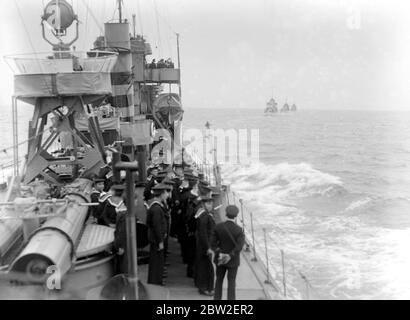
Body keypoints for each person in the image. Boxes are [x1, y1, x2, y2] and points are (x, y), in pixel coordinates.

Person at [211, 205, 245, 300]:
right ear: (236, 215)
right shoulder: (239, 230)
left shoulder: (218, 227)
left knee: (219, 281)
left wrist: (220, 253)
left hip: (220, 259)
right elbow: (239, 246)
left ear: (226, 214)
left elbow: (212, 243)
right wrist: (230, 255)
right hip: (233, 261)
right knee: (231, 282)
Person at [146, 183, 172, 285]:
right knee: (157, 261)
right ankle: (155, 281)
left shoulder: (156, 206)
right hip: (157, 239)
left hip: (157, 238)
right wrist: (160, 241)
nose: (167, 194)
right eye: (165, 192)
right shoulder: (156, 208)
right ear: (161, 194)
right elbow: (157, 226)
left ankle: (156, 279)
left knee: (157, 260)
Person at [194, 195, 216, 296]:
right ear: (203, 204)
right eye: (208, 203)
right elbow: (204, 233)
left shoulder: (201, 214)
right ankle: (206, 288)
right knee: (208, 268)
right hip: (205, 245)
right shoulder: (205, 217)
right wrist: (208, 247)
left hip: (201, 244)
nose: (210, 205)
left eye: (211, 203)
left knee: (202, 265)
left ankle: (202, 285)